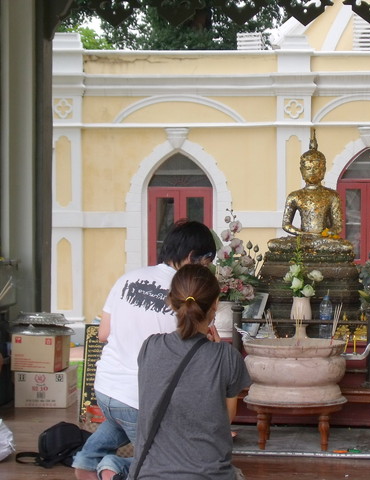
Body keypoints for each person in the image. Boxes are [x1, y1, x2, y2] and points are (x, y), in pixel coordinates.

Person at [73, 220, 217, 480]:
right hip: (143, 399)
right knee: (169, 463)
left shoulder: (127, 279)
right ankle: (115, 468)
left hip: (105, 389)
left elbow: (103, 334)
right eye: (207, 262)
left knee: (120, 420)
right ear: (191, 257)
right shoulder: (186, 294)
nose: (207, 270)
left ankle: (87, 460)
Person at [128, 264, 251, 479]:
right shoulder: (227, 356)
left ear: (171, 301)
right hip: (209, 475)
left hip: (150, 474)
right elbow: (226, 418)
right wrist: (218, 352)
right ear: (215, 304)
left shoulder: (150, 347)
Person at [267, 130, 353, 256]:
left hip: (323, 240)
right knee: (273, 244)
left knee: (345, 246)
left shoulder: (332, 195)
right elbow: (286, 224)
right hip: (302, 239)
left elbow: (338, 226)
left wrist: (326, 234)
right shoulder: (294, 196)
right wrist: (302, 234)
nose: (312, 172)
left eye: (316, 168)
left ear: (323, 170)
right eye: (308, 168)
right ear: (301, 171)